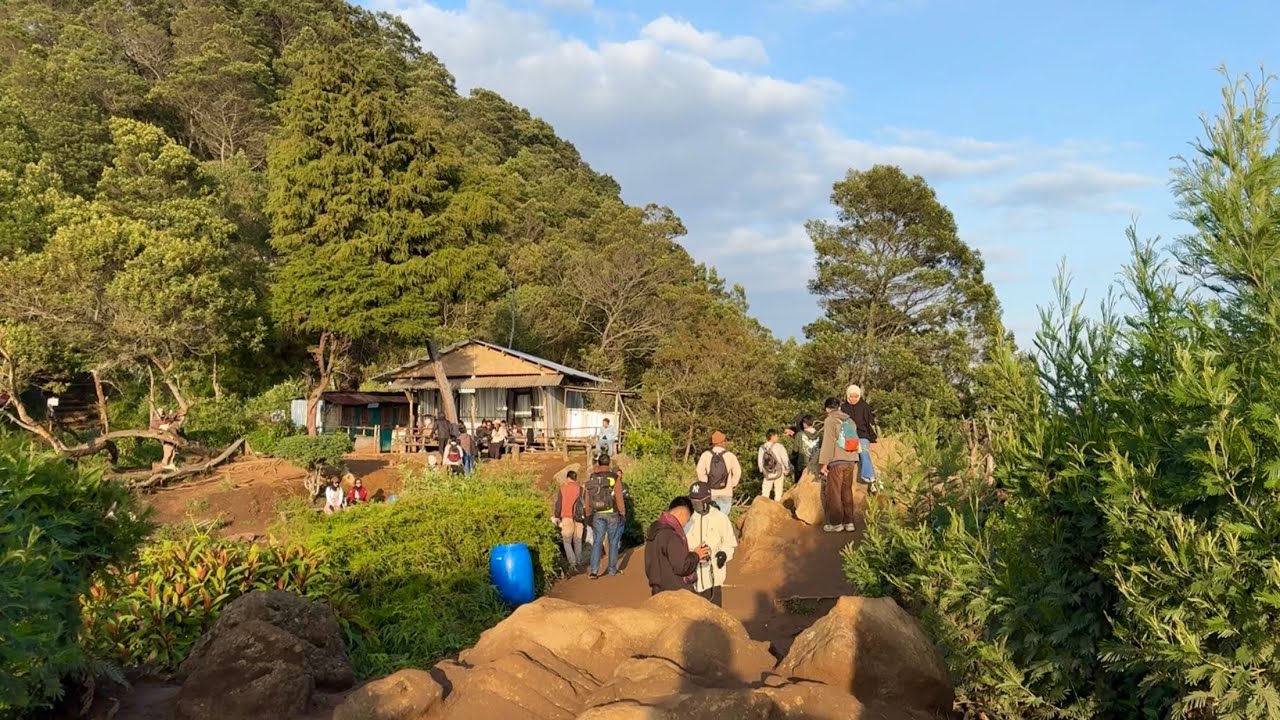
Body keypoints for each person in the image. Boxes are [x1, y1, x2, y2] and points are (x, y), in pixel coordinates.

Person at [683, 482, 737, 606]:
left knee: (714, 619)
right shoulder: (687, 519)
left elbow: (729, 544)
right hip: (691, 580)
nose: (695, 504)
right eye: (693, 500)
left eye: (698, 501)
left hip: (713, 580)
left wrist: (724, 554)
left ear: (707, 500)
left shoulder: (720, 518)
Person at [644, 496, 709, 596]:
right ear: (681, 513)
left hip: (658, 590)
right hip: (675, 591)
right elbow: (681, 566)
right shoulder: (671, 535)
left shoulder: (655, 532)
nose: (685, 524)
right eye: (687, 520)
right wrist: (696, 555)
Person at [818, 396, 860, 533]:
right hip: (851, 460)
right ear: (839, 407)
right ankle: (849, 522)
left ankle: (836, 523)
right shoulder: (850, 420)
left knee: (834, 492)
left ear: (827, 408)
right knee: (846, 491)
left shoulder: (830, 420)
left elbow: (828, 443)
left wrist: (824, 463)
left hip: (837, 461)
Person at [583, 452, 626, 578]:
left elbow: (587, 496)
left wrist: (588, 513)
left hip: (597, 514)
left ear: (599, 463)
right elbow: (619, 496)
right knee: (613, 542)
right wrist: (622, 513)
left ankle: (594, 571)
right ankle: (612, 570)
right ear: (609, 463)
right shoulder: (613, 477)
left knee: (597, 542)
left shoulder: (592, 477)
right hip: (612, 513)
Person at [841, 384, 880, 493]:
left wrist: (872, 436)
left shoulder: (864, 407)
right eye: (851, 396)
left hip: (863, 435)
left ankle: (871, 478)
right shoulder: (844, 407)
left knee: (863, 452)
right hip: (849, 436)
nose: (853, 399)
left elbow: (870, 423)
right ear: (847, 396)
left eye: (855, 396)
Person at [695, 431, 741, 515]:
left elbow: (699, 470)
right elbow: (737, 472)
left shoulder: (705, 455)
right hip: (726, 492)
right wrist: (732, 484)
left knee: (711, 517)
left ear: (713, 442)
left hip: (711, 492)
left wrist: (705, 483)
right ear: (723, 442)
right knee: (723, 519)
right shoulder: (730, 456)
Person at [551, 470, 586, 569]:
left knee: (567, 542)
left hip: (567, 518)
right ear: (575, 478)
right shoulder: (581, 490)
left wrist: (556, 517)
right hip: (579, 519)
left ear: (568, 478)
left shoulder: (563, 489)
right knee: (578, 541)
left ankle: (572, 562)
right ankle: (579, 562)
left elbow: (559, 505)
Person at [757, 429, 792, 502]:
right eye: (776, 435)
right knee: (778, 492)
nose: (777, 437)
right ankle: (777, 508)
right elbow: (785, 459)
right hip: (779, 472)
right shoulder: (779, 446)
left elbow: (760, 462)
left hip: (768, 473)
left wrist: (762, 471)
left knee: (765, 492)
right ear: (772, 436)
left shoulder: (762, 447)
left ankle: (764, 507)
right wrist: (787, 469)